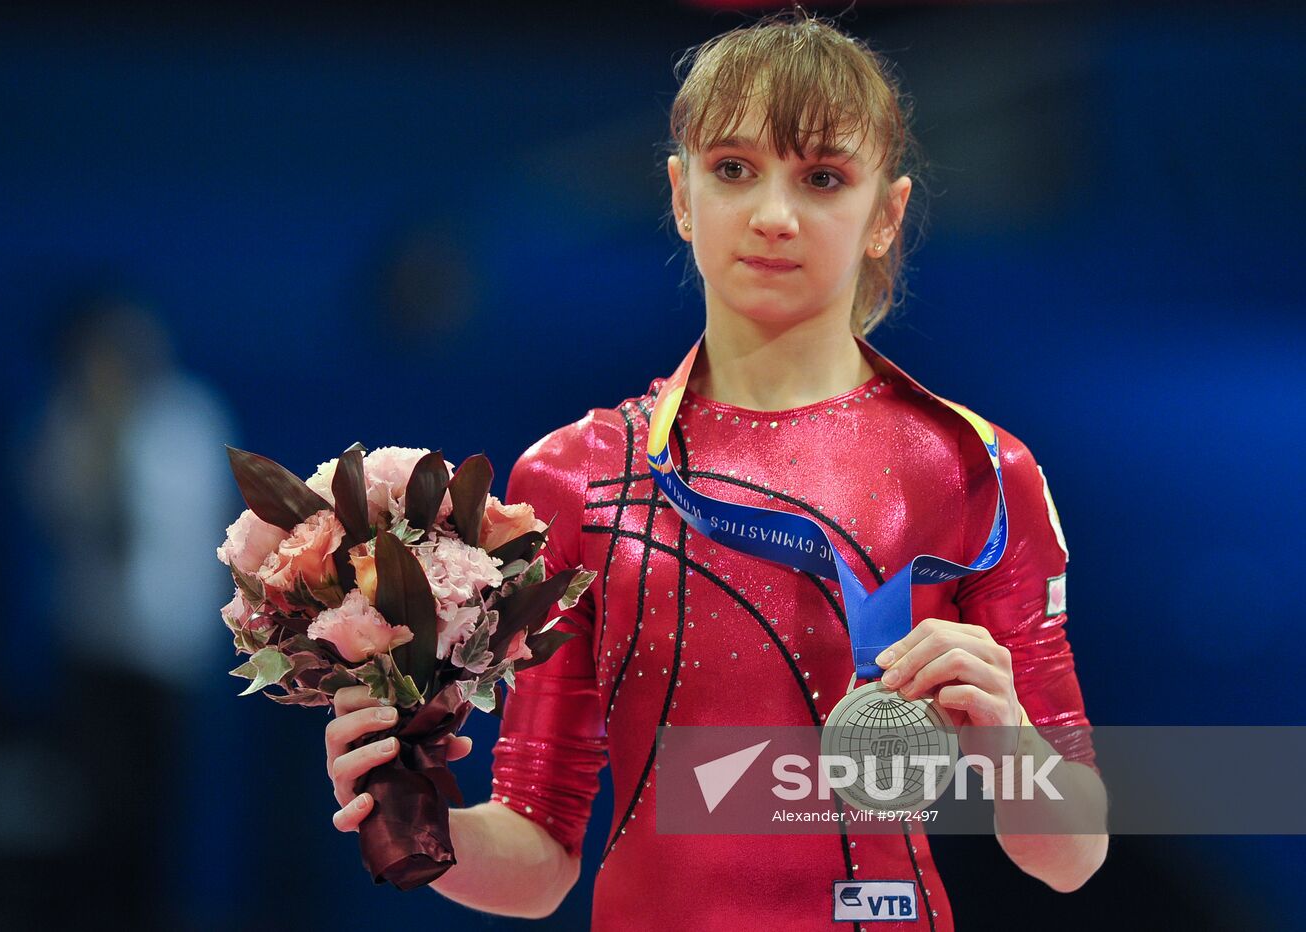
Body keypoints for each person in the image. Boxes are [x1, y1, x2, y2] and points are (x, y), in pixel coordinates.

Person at [324, 12, 1107, 929]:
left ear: (885, 216)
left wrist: (1011, 745)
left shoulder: (975, 469)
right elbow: (539, 856)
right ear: (682, 194)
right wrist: (413, 812)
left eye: (821, 178)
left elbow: (1072, 855)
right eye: (735, 170)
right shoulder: (575, 477)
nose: (774, 216)